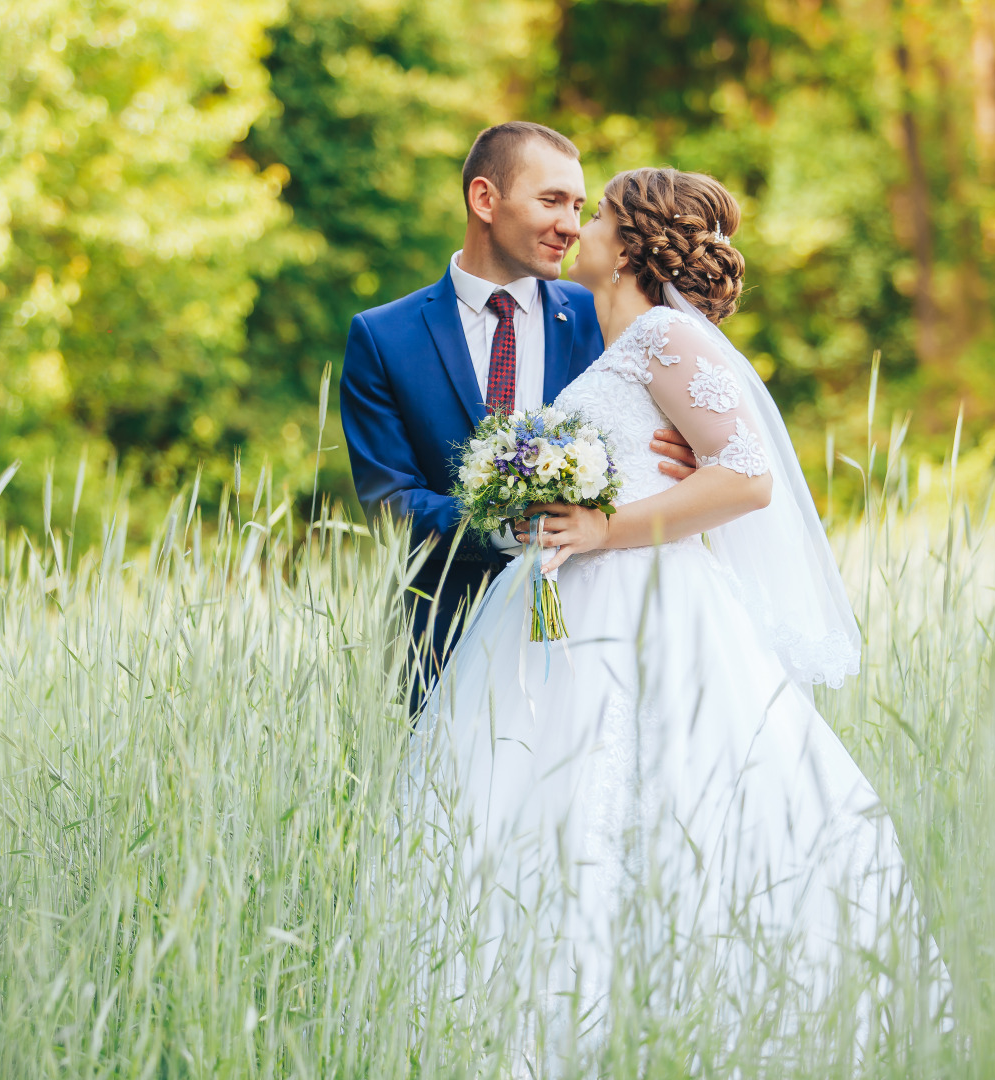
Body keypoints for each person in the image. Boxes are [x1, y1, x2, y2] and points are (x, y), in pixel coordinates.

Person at [418, 167, 948, 1067]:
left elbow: (745, 479)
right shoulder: (614, 340)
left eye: (596, 217)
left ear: (628, 244)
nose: (578, 228)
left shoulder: (665, 334)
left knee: (666, 803)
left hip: (648, 608)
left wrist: (599, 525)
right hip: (572, 604)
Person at [339, 123, 695, 692]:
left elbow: (689, 417)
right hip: (447, 639)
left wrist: (684, 457)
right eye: (551, 200)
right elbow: (390, 503)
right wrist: (512, 526)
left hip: (600, 631)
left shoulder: (602, 311)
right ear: (485, 199)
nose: (572, 226)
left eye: (580, 206)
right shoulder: (384, 337)